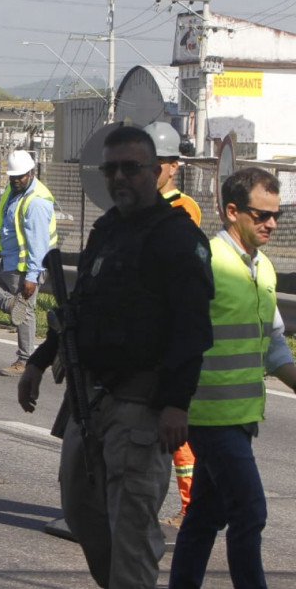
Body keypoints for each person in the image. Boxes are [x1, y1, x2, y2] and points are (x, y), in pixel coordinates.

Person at [17, 124, 214, 589]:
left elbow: (193, 330)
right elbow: (78, 308)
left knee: (131, 534)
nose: (120, 177)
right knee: (81, 513)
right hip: (92, 401)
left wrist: (176, 403)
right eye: (111, 169)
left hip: (143, 408)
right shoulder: (107, 230)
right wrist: (39, 361)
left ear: (156, 172)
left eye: (131, 168)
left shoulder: (177, 238)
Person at [169, 167, 296, 589]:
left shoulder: (263, 267)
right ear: (231, 211)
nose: (272, 224)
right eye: (261, 215)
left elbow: (274, 345)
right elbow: (177, 335)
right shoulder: (206, 261)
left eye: (276, 214)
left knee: (205, 516)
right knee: (250, 512)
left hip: (241, 417)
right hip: (209, 416)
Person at [144, 120, 202, 529]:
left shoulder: (183, 208)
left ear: (173, 166)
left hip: (170, 335)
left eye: (161, 163)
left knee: (179, 441)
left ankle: (190, 507)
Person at [0, 149, 57, 376]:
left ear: (31, 173)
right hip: (10, 260)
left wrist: (32, 277)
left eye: (20, 176)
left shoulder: (37, 202)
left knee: (27, 313)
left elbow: (39, 245)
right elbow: (1, 220)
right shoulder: (11, 191)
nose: (16, 180)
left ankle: (25, 361)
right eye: (13, 177)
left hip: (26, 266)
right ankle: (11, 304)